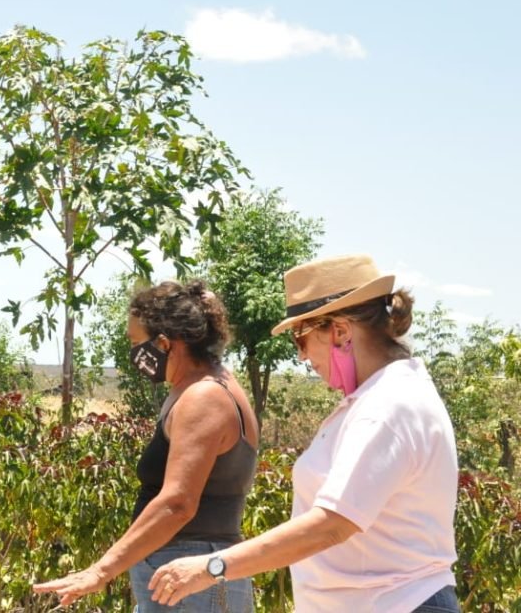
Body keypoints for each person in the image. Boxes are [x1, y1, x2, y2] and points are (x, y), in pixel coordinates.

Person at [146, 255, 460, 613]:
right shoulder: (378, 399)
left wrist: (212, 567)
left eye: (301, 338)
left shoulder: (386, 407)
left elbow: (330, 525)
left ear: (340, 332)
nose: (302, 356)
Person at [34, 279, 259, 611]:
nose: (134, 353)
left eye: (136, 342)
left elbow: (178, 504)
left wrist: (101, 570)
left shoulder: (204, 396)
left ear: (165, 344)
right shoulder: (198, 388)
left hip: (192, 576)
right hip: (183, 577)